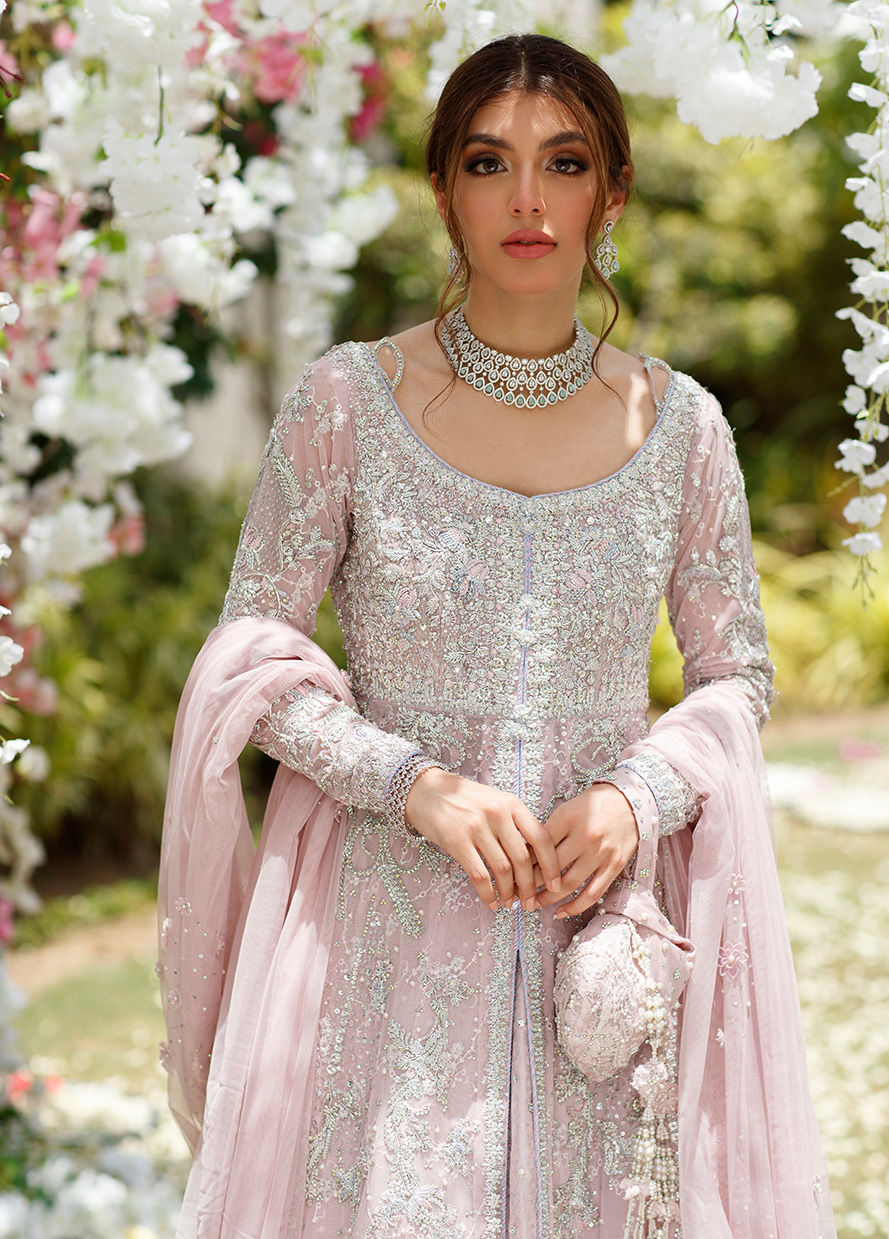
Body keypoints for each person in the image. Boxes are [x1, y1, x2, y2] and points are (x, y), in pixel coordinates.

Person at [158, 32, 836, 1239]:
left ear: (612, 194)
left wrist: (637, 795)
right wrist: (413, 784)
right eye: (488, 163)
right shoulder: (346, 403)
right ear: (444, 192)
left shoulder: (683, 429)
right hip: (381, 941)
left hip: (601, 944)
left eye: (564, 162)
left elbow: (735, 673)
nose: (528, 198)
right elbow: (252, 659)